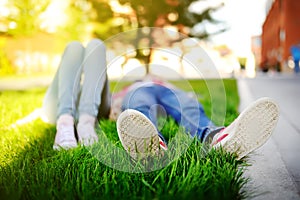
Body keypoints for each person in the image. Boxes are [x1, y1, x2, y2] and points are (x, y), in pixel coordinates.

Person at [41, 39, 279, 161]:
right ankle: (151, 141)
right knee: (140, 96)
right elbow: (116, 97)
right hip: (135, 93)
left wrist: (184, 94)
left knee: (183, 102)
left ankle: (214, 136)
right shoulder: (131, 87)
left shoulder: (161, 84)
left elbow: (185, 99)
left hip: (163, 92)